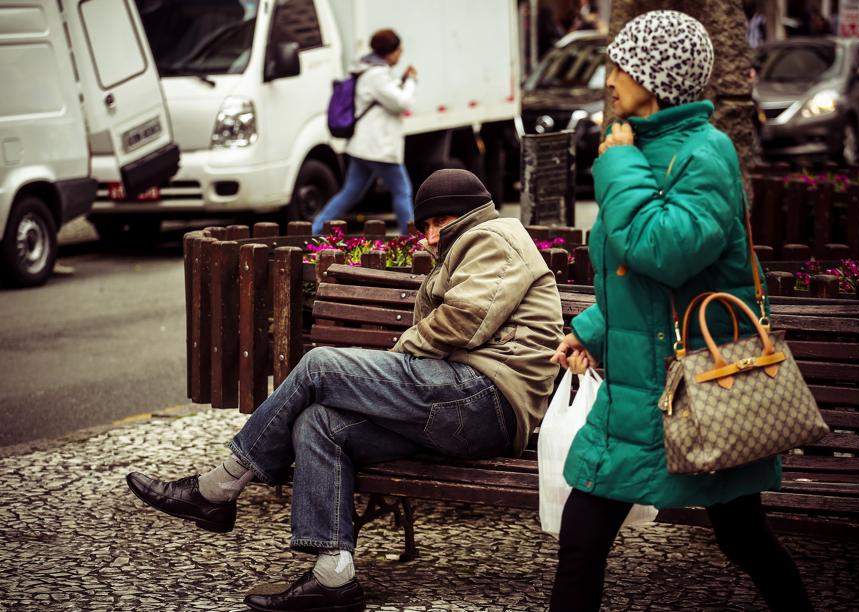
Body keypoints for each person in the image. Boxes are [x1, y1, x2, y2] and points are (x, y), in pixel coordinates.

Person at [126, 169, 564, 612]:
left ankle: (220, 487)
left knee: (320, 365)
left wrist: (400, 353)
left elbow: (464, 319)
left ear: (467, 213)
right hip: (458, 404)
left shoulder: (494, 237)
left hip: (486, 398)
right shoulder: (468, 246)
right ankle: (334, 575)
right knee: (322, 423)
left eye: (438, 222)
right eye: (424, 225)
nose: (430, 235)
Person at [548, 11, 814, 612]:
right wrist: (589, 330)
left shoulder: (704, 153)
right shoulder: (636, 148)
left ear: (657, 77)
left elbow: (664, 252)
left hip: (698, 389)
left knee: (743, 536)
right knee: (582, 539)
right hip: (640, 391)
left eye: (622, 64)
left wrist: (615, 164)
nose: (608, 75)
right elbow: (630, 277)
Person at [311, 28, 417, 235]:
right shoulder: (377, 75)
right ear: (390, 51)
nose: (400, 55)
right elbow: (402, 103)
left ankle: (315, 230)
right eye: (399, 51)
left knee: (351, 193)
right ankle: (411, 240)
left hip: (364, 146)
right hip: (377, 147)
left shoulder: (370, 71)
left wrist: (403, 81)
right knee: (402, 191)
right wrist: (412, 81)